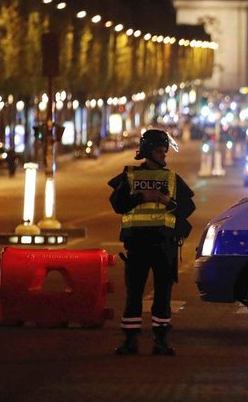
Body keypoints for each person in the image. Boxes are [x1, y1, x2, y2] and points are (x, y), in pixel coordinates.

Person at [108, 128, 195, 356]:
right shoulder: (130, 176)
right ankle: (130, 340)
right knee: (134, 293)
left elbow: (188, 208)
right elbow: (117, 204)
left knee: (163, 293)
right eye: (159, 150)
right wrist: (142, 197)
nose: (164, 155)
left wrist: (167, 202)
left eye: (165, 150)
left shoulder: (172, 178)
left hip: (163, 244)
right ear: (148, 151)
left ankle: (160, 339)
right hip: (137, 243)